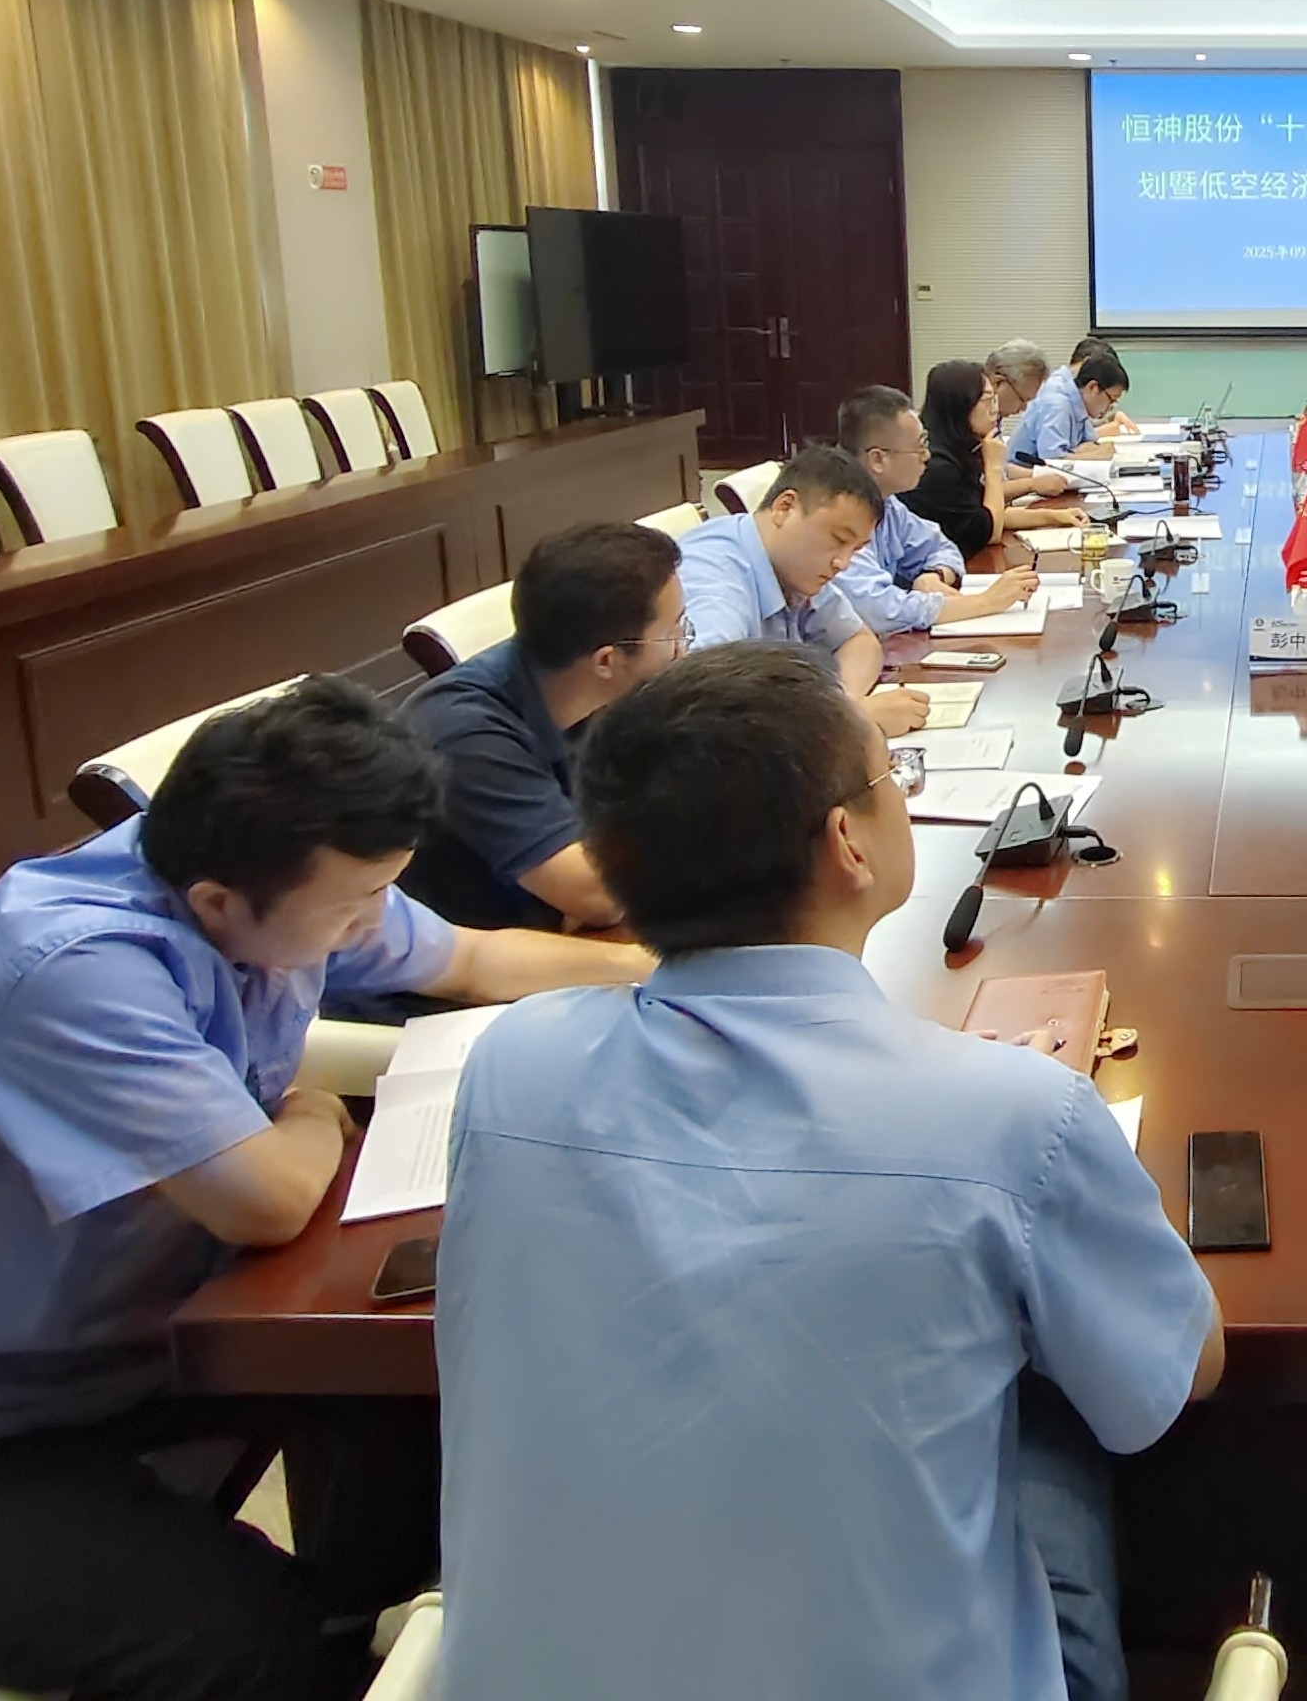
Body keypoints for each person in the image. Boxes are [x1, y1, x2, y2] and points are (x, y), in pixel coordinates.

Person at [0, 678, 655, 1701]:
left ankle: (376, 1624)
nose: (372, 924)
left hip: (92, 1358)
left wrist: (664, 970)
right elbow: (265, 1201)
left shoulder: (287, 866)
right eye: (354, 906)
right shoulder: (73, 965)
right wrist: (310, 1114)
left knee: (432, 1393)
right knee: (246, 1640)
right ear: (216, 904)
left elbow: (476, 958)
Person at [436, 643, 1223, 1701]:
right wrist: (1012, 1128)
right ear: (848, 842)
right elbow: (1171, 1381)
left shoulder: (510, 1064)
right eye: (891, 774)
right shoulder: (1015, 1117)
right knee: (1054, 1419)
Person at [402, 520, 690, 935]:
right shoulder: (464, 732)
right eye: (673, 633)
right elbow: (599, 895)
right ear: (607, 661)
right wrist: (595, 880)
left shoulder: (594, 689)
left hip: (551, 933)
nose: (683, 648)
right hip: (458, 963)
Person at [675, 445, 929, 736]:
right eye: (838, 539)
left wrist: (843, 707)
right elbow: (706, 712)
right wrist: (845, 721)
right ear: (785, 507)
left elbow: (859, 641)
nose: (843, 563)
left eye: (855, 549)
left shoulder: (793, 564)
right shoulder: (716, 579)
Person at [833, 385, 1040, 634]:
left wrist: (934, 575)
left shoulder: (888, 504)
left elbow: (941, 545)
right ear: (878, 459)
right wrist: (987, 602)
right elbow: (881, 611)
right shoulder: (839, 515)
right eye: (919, 447)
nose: (927, 456)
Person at [903, 359, 1089, 558]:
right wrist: (993, 467)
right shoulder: (936, 465)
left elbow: (987, 513)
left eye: (994, 399)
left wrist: (1054, 517)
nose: (994, 409)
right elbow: (989, 531)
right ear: (960, 405)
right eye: (987, 400)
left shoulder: (960, 448)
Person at [1009, 350, 1131, 469]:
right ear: (1093, 387)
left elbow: (1089, 443)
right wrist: (1096, 456)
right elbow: (1052, 463)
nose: (1111, 407)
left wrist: (1076, 453)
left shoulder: (1079, 404)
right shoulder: (1058, 405)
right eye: (1112, 399)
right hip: (1018, 476)